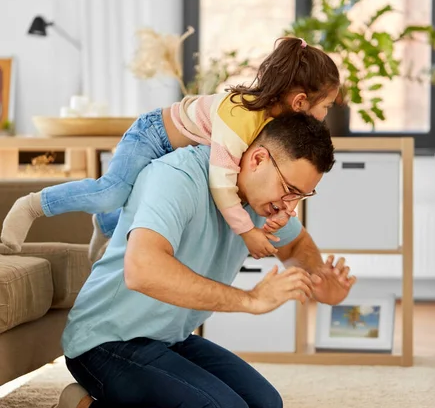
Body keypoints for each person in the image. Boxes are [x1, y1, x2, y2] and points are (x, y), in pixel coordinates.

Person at [44, 112, 356, 408]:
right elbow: (142, 270)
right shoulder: (178, 177)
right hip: (105, 342)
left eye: (301, 196)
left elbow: (296, 244)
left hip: (168, 338)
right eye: (289, 190)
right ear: (258, 159)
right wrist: (251, 300)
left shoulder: (261, 203)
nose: (289, 207)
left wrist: (318, 277)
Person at [1, 37, 339, 260]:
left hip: (175, 147)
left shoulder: (273, 126)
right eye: (326, 106)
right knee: (112, 191)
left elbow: (266, 175)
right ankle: (32, 206)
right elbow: (222, 184)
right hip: (152, 135)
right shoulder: (242, 117)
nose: (325, 116)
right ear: (299, 101)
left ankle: (104, 224)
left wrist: (283, 210)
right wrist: (247, 232)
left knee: (133, 196)